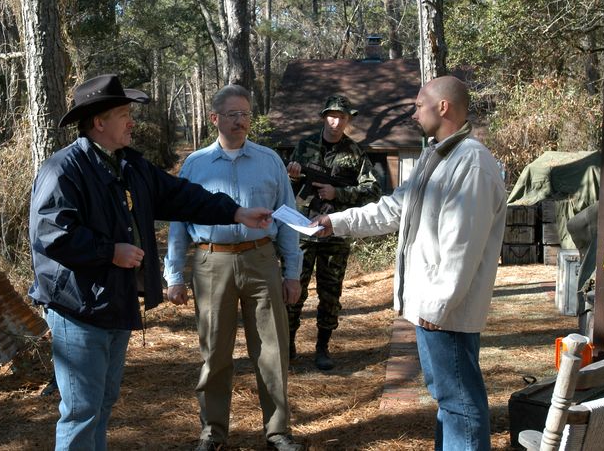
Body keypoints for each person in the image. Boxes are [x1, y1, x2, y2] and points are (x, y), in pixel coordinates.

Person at [28, 74, 275, 450]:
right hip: (77, 310)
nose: (132, 121)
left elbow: (182, 196)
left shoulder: (129, 165)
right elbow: (50, 234)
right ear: (99, 122)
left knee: (102, 404)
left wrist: (237, 212)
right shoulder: (64, 169)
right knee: (80, 411)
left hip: (115, 302)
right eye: (124, 114)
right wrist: (109, 251)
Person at [312, 76, 506, 451]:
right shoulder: (435, 156)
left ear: (443, 107)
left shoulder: (471, 163)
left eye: (419, 104)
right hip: (431, 308)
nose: (414, 112)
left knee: (460, 402)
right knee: (449, 400)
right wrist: (335, 222)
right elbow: (392, 209)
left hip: (445, 310)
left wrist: (437, 305)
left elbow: (460, 245)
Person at [164, 84, 304, 451]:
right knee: (214, 353)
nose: (241, 121)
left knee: (272, 351)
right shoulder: (195, 164)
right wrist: (175, 275)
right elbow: (178, 224)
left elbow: (287, 219)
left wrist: (292, 273)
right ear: (215, 119)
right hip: (212, 262)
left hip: (261, 260)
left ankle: (278, 432)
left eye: (245, 114)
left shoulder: (269, 160)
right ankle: (212, 433)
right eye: (232, 115)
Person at [285, 95, 381, 370]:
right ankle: (289, 343)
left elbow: (373, 190)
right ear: (323, 117)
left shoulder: (355, 152)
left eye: (342, 117)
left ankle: (322, 347)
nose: (336, 121)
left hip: (336, 233)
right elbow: (287, 188)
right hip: (303, 231)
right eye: (331, 115)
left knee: (330, 294)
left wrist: (337, 192)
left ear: (348, 120)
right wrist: (292, 178)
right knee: (294, 290)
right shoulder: (304, 147)